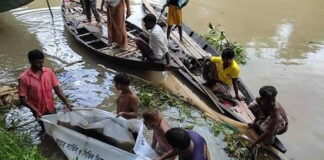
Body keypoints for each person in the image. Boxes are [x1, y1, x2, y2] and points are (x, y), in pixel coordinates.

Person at [18, 49, 73, 134]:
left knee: (56, 126)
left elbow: (57, 88)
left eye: (42, 62)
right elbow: (22, 98)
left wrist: (66, 102)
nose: (41, 65)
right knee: (46, 129)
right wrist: (35, 110)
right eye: (38, 63)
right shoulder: (24, 78)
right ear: (30, 61)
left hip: (50, 107)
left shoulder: (48, 72)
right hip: (38, 110)